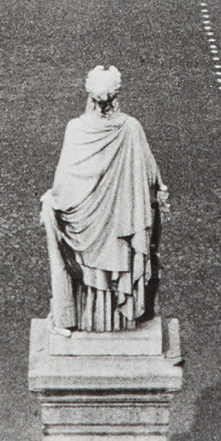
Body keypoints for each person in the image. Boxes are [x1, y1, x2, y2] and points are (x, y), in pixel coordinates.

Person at [39, 66, 169, 332]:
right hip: (120, 230)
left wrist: (51, 199)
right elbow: (150, 173)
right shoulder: (132, 128)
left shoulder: (76, 128)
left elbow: (64, 184)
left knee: (49, 209)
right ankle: (124, 313)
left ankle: (78, 317)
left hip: (86, 229)